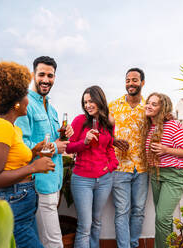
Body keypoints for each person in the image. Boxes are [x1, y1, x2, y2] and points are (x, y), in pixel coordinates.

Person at [0, 61, 56, 248]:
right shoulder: (2, 128)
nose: (29, 99)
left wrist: (33, 152)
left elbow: (11, 161)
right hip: (14, 204)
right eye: (25, 95)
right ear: (16, 102)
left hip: (23, 203)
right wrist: (33, 167)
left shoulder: (12, 128)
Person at [15, 56, 73, 248]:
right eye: (42, 75)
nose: (46, 80)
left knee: (44, 240)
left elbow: (56, 139)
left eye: (50, 75)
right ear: (33, 75)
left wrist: (66, 135)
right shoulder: (26, 105)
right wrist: (56, 147)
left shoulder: (53, 109)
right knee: (54, 242)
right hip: (39, 184)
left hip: (54, 182)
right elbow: (23, 145)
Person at [66, 85, 118, 248]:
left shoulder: (109, 121)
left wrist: (111, 166)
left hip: (104, 179)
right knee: (85, 225)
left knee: (97, 221)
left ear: (99, 100)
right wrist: (85, 142)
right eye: (85, 102)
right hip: (82, 180)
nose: (87, 105)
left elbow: (109, 146)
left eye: (91, 101)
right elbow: (68, 147)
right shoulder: (80, 120)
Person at [144, 92, 183, 248]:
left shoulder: (173, 125)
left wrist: (166, 149)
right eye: (148, 102)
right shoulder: (150, 126)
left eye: (154, 104)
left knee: (162, 217)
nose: (149, 106)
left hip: (175, 174)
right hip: (156, 174)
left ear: (162, 108)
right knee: (164, 219)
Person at [108, 67, 149, 248]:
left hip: (142, 168)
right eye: (127, 80)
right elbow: (103, 131)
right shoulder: (113, 106)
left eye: (134, 80)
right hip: (119, 167)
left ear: (142, 82)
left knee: (139, 211)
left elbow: (161, 126)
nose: (130, 83)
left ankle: (133, 244)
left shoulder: (149, 107)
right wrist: (114, 140)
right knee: (122, 211)